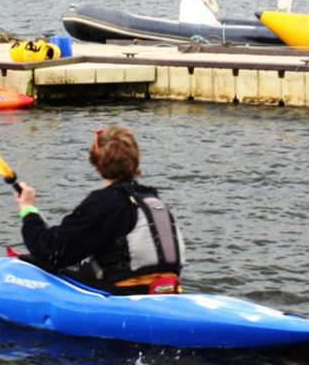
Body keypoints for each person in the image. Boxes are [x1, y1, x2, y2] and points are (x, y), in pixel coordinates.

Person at [13, 126, 185, 295]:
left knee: (29, 262)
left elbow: (50, 252)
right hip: (167, 291)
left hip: (125, 293)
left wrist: (28, 209)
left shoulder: (105, 202)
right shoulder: (153, 199)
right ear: (135, 158)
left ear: (95, 160)